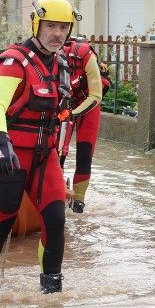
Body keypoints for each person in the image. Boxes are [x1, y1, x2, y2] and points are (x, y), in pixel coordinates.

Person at [0, 0, 80, 294]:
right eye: (51, 26)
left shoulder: (60, 63)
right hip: (9, 155)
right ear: (37, 24)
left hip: (44, 156)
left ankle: (51, 295)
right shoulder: (14, 61)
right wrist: (1, 141)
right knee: (2, 222)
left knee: (56, 221)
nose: (57, 33)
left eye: (63, 27)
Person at [60, 38, 107, 213]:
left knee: (85, 154)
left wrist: (73, 114)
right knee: (55, 150)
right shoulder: (46, 56)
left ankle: (79, 201)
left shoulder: (85, 55)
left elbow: (96, 96)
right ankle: (54, 189)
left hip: (88, 102)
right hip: (64, 102)